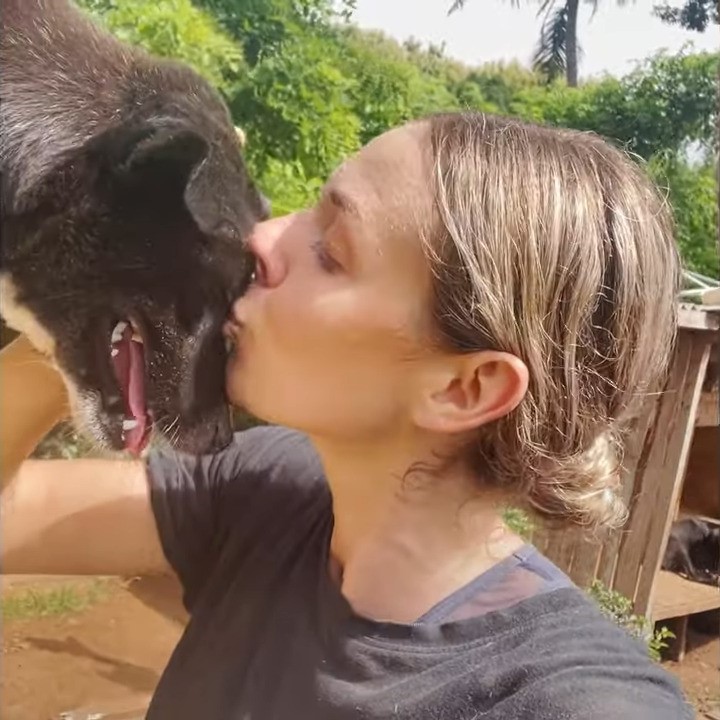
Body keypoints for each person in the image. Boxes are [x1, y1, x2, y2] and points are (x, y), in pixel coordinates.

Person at [1, 111, 692, 719]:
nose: (262, 238)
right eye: (304, 210)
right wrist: (79, 308)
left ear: (466, 389)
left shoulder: (565, 701)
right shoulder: (269, 490)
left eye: (330, 252)